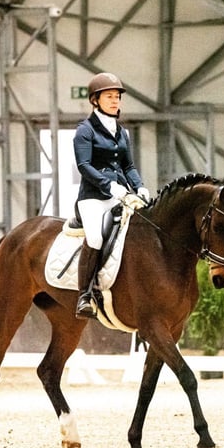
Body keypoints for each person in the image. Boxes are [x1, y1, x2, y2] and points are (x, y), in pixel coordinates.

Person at [73, 72, 150, 317]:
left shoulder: (122, 132)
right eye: (109, 96)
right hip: (93, 197)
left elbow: (128, 166)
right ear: (95, 100)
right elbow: (84, 166)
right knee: (95, 238)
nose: (115, 101)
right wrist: (109, 186)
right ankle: (84, 295)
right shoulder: (84, 131)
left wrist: (139, 186)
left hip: (121, 195)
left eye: (117, 97)